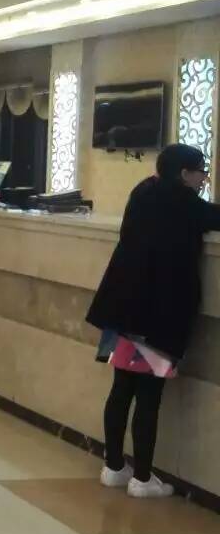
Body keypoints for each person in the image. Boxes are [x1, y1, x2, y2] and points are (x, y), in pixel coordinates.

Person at [87, 143, 220, 498]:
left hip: (123, 307)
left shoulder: (143, 191)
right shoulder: (185, 203)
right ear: (184, 174)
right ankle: (143, 479)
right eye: (201, 172)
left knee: (121, 389)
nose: (204, 178)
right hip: (156, 315)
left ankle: (114, 467)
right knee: (148, 396)